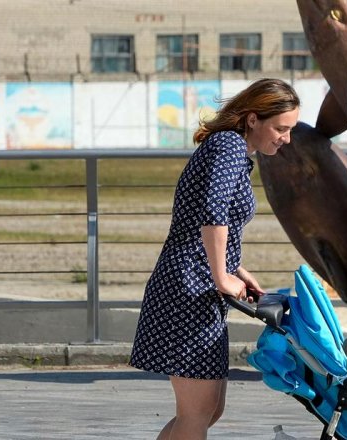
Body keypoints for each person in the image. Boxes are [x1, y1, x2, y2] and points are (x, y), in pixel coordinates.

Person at [129, 78, 300, 440]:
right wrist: (222, 276)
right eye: (281, 128)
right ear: (253, 119)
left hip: (196, 285)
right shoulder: (227, 147)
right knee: (197, 412)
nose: (286, 138)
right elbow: (212, 215)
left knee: (207, 410)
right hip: (188, 288)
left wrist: (238, 270)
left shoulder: (234, 151)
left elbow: (209, 223)